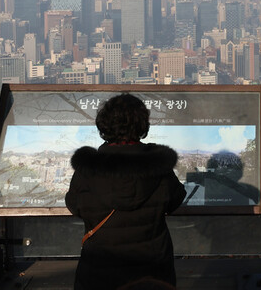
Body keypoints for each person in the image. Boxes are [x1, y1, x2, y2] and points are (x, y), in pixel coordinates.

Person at [65, 93, 187, 290]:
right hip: (152, 271)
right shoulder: (158, 166)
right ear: (142, 125)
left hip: (99, 271)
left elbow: (75, 206)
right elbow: (175, 200)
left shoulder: (88, 170)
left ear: (104, 124)